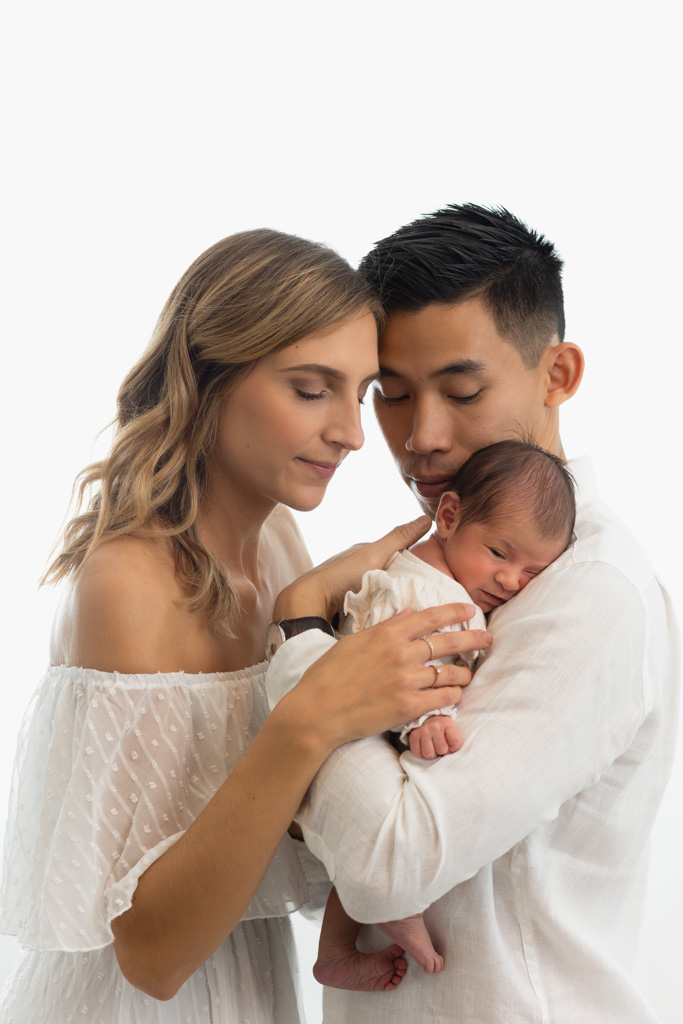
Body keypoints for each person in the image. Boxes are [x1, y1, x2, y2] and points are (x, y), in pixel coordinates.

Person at [0, 228, 490, 1023]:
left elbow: (255, 820)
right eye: (309, 389)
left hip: (246, 984)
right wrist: (312, 716)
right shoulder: (127, 584)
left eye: (359, 391)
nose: (352, 432)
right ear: (210, 378)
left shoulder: (278, 546)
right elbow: (150, 958)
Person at [266, 205, 680, 1022]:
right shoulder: (424, 566)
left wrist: (299, 639)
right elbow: (327, 858)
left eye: (461, 390)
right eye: (390, 395)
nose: (419, 436)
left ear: (556, 375)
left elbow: (387, 861)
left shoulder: (590, 593)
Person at [306, 440, 576, 992]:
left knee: (366, 835)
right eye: (500, 554)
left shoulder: (450, 583)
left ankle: (336, 948)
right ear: (448, 517)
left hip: (357, 728)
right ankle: (386, 911)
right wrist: (420, 723)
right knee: (381, 823)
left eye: (531, 572)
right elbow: (378, 662)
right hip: (352, 725)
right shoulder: (421, 588)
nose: (509, 581)